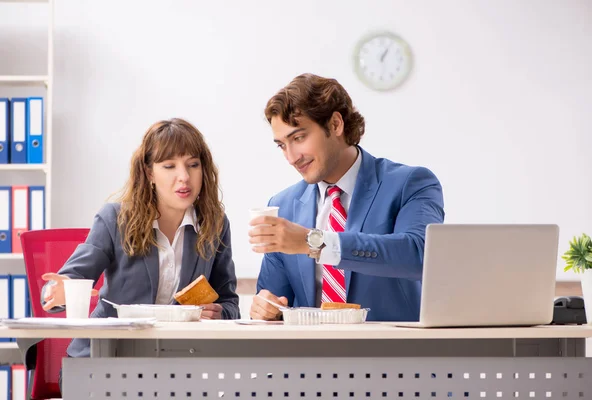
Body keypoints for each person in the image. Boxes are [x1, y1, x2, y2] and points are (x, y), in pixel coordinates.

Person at [42, 118, 239, 384]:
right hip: (103, 364)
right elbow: (58, 288)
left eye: (193, 165)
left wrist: (220, 312)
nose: (184, 177)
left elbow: (229, 304)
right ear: (149, 173)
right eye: (169, 166)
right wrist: (58, 292)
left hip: (175, 370)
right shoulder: (115, 219)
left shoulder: (214, 224)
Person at [249, 73, 444, 321]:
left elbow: (420, 255)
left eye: (298, 138)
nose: (291, 157)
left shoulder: (410, 184)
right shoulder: (284, 206)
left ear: (335, 124)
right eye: (282, 145)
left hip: (393, 354)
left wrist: (315, 243)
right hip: (312, 355)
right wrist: (266, 308)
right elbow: (275, 300)